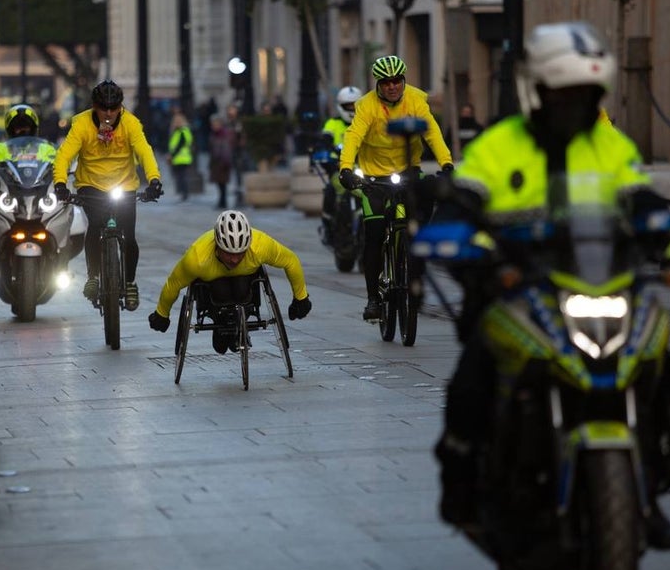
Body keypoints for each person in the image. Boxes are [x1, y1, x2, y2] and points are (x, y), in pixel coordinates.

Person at [431, 20, 670, 551]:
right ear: (535, 91)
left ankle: (650, 488)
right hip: (517, 290)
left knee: (660, 361)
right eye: (563, 94)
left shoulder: (609, 146)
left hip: (599, 283)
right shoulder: (499, 145)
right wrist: (454, 233)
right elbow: (463, 198)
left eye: (586, 95)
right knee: (473, 375)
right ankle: (460, 485)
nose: (574, 105)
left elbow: (641, 197)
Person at [338, 55, 453, 321]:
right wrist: (345, 168)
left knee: (419, 224)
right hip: (374, 178)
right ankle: (373, 299)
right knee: (375, 234)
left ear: (404, 81)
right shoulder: (366, 105)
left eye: (397, 81)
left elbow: (432, 133)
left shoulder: (415, 100)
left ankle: (415, 279)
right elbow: (353, 136)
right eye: (386, 82)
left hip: (407, 172)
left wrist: (446, 163)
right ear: (378, 83)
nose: (392, 87)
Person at [52, 80, 164, 312]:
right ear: (94, 106)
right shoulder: (81, 124)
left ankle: (130, 282)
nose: (109, 113)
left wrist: (154, 179)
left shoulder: (131, 123)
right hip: (90, 185)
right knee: (95, 225)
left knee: (130, 237)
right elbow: (64, 156)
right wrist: (61, 183)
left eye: (114, 108)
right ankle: (93, 276)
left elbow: (145, 151)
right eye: (104, 108)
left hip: (123, 185)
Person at [147, 210, 312, 353]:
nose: (234, 259)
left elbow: (291, 261)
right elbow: (174, 283)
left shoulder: (260, 245)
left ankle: (241, 322)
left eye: (240, 253)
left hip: (246, 285)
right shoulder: (197, 257)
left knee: (241, 286)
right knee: (221, 289)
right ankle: (220, 324)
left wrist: (301, 298)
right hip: (213, 289)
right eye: (228, 253)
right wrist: (162, 313)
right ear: (217, 246)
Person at [319, 86, 361, 245]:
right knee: (331, 190)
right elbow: (325, 139)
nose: (351, 109)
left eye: (354, 105)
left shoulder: (365, 122)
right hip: (339, 169)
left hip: (363, 168)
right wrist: (323, 147)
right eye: (347, 106)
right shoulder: (333, 123)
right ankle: (329, 225)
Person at [0, 103, 56, 171]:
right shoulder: (0, 149)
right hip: (8, 183)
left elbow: (57, 168)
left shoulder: (47, 149)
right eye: (18, 127)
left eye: (26, 126)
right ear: (10, 130)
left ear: (33, 128)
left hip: (41, 183)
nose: (22, 130)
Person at [207, 114, 235, 209]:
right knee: (219, 183)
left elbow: (226, 149)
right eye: (213, 124)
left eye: (216, 124)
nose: (214, 126)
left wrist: (225, 161)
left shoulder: (224, 134)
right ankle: (221, 201)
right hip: (215, 162)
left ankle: (223, 202)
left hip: (223, 162)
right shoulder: (213, 135)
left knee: (223, 183)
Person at [167, 110, 195, 202]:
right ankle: (182, 194)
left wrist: (172, 155)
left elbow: (180, 145)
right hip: (178, 158)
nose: (176, 123)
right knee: (180, 177)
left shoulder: (182, 131)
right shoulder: (178, 131)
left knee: (182, 177)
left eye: (178, 121)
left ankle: (184, 195)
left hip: (182, 158)